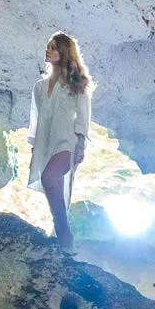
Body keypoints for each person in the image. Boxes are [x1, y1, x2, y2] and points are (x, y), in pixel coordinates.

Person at [28, 31, 93, 253]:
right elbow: (38, 120)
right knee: (50, 184)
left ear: (63, 52)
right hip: (47, 142)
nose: (48, 50)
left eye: (53, 48)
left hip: (68, 141)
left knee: (49, 178)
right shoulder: (39, 87)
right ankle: (63, 234)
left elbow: (83, 114)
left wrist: (82, 142)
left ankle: (64, 233)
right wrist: (35, 150)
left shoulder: (77, 82)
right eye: (48, 47)